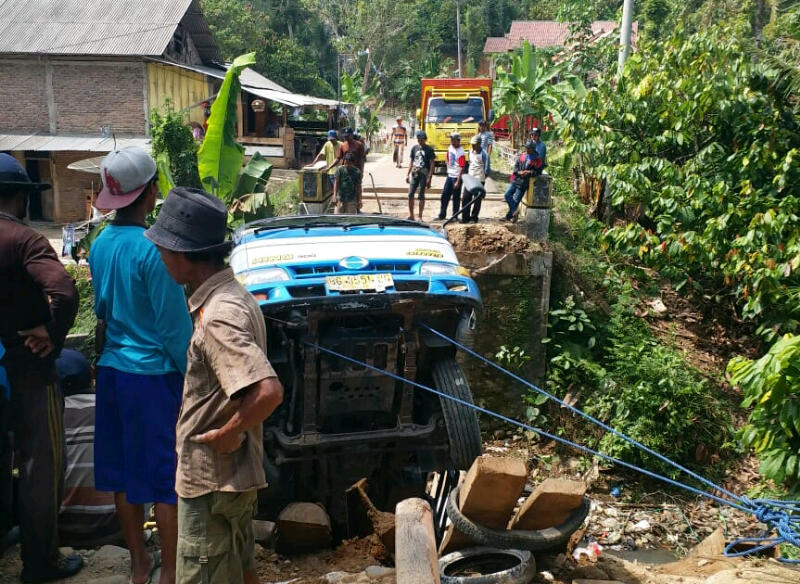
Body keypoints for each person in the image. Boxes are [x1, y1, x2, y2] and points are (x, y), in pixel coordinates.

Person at [144, 187, 284, 584]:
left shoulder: (219, 316)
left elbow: (268, 391)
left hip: (210, 483)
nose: (159, 256)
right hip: (231, 481)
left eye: (163, 248)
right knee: (241, 571)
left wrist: (228, 432)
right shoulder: (233, 296)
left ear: (184, 254)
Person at [89, 147, 193, 584]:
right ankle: (170, 572)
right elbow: (174, 330)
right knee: (165, 480)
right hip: (153, 377)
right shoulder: (156, 251)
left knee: (121, 472)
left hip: (113, 373)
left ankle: (138, 564)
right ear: (151, 193)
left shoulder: (99, 245)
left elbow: (101, 310)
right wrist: (193, 376)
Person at [0, 153, 83, 583]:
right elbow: (65, 292)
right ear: (19, 197)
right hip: (28, 371)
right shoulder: (25, 239)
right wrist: (52, 332)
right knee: (40, 467)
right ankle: (40, 563)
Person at [56, 349, 122, 548]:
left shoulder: (48, 417)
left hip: (63, 531)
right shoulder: (115, 407)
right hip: (118, 528)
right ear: (92, 374)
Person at [504, 140, 542, 221]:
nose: (527, 150)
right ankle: (515, 212)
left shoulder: (538, 160)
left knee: (516, 200)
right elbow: (516, 166)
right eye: (526, 148)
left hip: (524, 183)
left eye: (528, 148)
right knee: (507, 195)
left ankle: (508, 217)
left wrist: (528, 172)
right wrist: (518, 172)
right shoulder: (522, 156)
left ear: (533, 149)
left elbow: (538, 172)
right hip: (516, 179)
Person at [405, 130, 435, 221]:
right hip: (415, 173)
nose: (420, 142)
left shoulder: (429, 149)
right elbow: (411, 162)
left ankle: (420, 216)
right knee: (410, 194)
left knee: (421, 195)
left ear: (425, 140)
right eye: (418, 140)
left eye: (421, 140)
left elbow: (432, 164)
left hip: (423, 174)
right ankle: (411, 215)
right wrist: (407, 174)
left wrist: (429, 177)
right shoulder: (414, 148)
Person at [437, 133, 466, 221]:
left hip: (456, 176)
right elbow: (447, 157)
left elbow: (462, 166)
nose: (452, 142)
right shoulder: (450, 147)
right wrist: (447, 165)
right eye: (451, 140)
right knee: (445, 195)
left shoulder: (461, 152)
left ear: (458, 140)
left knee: (456, 198)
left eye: (454, 140)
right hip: (449, 175)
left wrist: (458, 180)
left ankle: (455, 216)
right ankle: (442, 214)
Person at [462, 135, 488, 223]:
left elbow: (487, 169)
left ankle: (474, 218)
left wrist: (483, 179)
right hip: (470, 178)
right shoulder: (470, 152)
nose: (473, 146)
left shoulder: (484, 154)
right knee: (466, 198)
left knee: (477, 199)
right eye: (472, 144)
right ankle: (465, 218)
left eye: (475, 144)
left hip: (479, 179)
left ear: (479, 144)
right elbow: (469, 163)